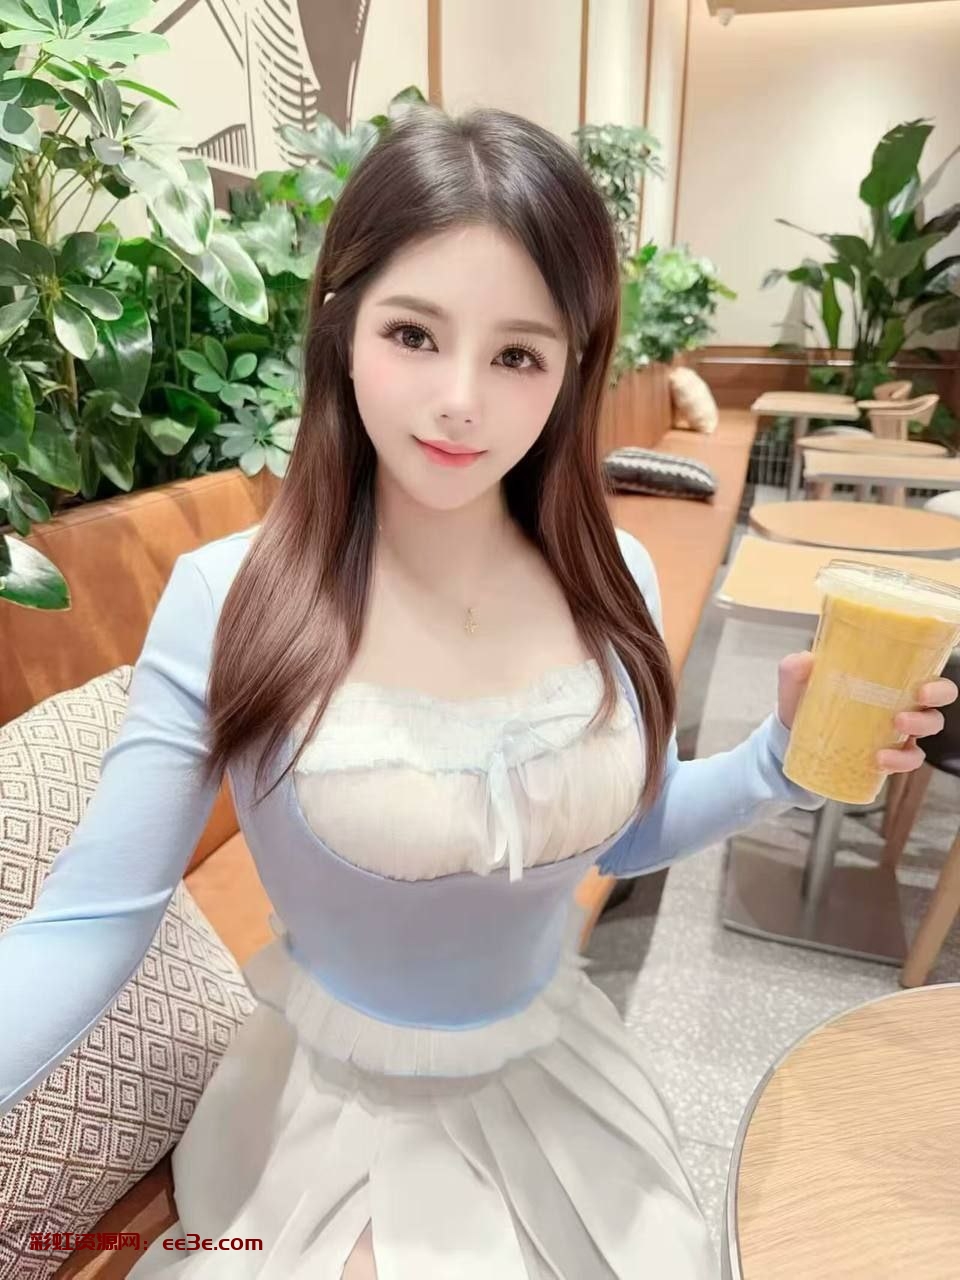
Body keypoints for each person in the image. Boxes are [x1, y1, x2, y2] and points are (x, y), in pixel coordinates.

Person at [0, 106, 954, 1279]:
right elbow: (92, 922)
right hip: (337, 1114)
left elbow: (629, 827)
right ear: (343, 329)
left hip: (556, 1076)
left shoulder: (614, 574)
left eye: (517, 354)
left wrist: (778, 754)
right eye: (414, 332)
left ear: (570, 369)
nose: (461, 399)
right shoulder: (229, 594)